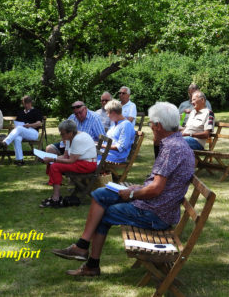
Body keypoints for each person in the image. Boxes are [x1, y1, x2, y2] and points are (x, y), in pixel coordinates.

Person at [50, 102, 195, 277]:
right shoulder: (175, 143)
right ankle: (81, 247)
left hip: (156, 213)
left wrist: (132, 193)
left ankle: (91, 264)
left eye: (151, 124)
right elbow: (160, 185)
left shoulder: (172, 149)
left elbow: (156, 190)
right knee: (100, 194)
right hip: (157, 204)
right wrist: (139, 188)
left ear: (158, 126)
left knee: (104, 213)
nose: (150, 128)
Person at [40, 120, 98, 208]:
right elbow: (65, 156)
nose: (61, 135)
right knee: (53, 164)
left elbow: (71, 160)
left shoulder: (78, 139)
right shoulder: (69, 139)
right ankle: (56, 197)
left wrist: (53, 159)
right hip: (80, 162)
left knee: (55, 166)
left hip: (87, 164)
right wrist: (49, 157)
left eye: (62, 134)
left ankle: (56, 198)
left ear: (70, 132)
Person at [0, 96, 43, 166]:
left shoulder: (36, 111)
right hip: (21, 132)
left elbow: (39, 123)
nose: (25, 105)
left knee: (19, 128)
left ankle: (5, 142)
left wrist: (30, 125)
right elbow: (17, 123)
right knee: (16, 138)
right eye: (24, 104)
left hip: (33, 132)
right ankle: (20, 160)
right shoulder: (20, 113)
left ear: (31, 103)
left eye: (27, 104)